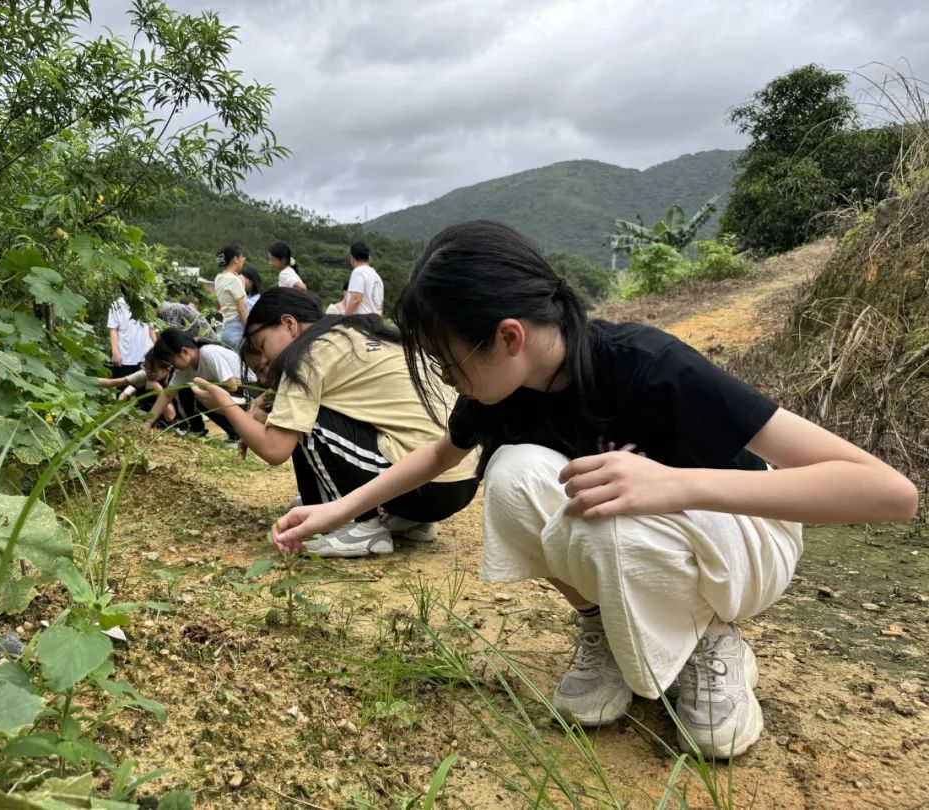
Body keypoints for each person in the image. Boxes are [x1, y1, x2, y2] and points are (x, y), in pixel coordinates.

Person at [272, 220, 918, 757]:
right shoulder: (505, 390)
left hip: (748, 540)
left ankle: (713, 643)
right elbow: (437, 456)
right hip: (648, 532)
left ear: (508, 337)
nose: (447, 378)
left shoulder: (650, 367)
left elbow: (888, 493)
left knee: (609, 513)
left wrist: (673, 485)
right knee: (510, 475)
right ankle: (603, 630)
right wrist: (337, 509)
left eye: (447, 361)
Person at [192, 288, 480, 558]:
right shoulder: (352, 332)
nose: (265, 359)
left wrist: (227, 406)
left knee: (305, 420)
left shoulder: (306, 354)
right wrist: (264, 403)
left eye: (261, 345)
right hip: (456, 480)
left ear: (289, 324)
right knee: (308, 413)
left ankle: (357, 526)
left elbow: (275, 449)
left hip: (427, 482)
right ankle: (410, 522)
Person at [144, 328, 251, 440]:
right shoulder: (184, 369)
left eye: (171, 361)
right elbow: (167, 395)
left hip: (248, 394)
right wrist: (147, 423)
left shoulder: (209, 354)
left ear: (184, 352)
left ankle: (239, 433)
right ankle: (233, 433)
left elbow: (232, 386)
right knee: (189, 390)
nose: (171, 366)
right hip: (233, 397)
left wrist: (204, 388)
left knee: (200, 393)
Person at [96, 355, 176, 423]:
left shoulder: (176, 380)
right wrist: (85, 380)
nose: (147, 373)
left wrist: (158, 389)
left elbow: (170, 416)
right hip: (144, 417)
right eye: (145, 368)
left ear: (166, 370)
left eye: (152, 371)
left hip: (168, 425)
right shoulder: (146, 373)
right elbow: (114, 382)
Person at [107, 291, 156, 378]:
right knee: (122, 388)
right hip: (124, 358)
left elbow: (150, 328)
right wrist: (115, 352)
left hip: (145, 356)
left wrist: (157, 348)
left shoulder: (146, 303)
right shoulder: (116, 305)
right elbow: (113, 329)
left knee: (144, 389)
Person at [214, 245, 248, 350]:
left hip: (225, 328)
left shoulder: (219, 278)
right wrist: (249, 331)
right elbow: (242, 310)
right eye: (242, 258)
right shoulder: (234, 280)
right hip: (236, 329)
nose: (243, 261)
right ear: (235, 259)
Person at [343, 242, 383, 316]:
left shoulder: (358, 271)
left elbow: (355, 300)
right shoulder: (377, 276)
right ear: (368, 258)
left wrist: (344, 319)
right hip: (376, 321)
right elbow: (380, 305)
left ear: (352, 258)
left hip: (362, 320)